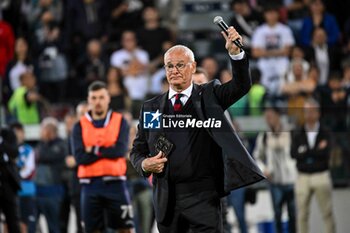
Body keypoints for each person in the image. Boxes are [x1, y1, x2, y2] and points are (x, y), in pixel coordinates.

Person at [130, 26, 264, 232]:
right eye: (169, 66)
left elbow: (241, 85)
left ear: (193, 67)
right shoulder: (152, 107)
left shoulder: (210, 96)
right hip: (167, 200)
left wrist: (235, 54)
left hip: (204, 198)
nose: (173, 70)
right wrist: (145, 164)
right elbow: (138, 150)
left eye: (180, 65)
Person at [71, 81, 134, 233]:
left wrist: (92, 149)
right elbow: (80, 158)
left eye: (101, 97)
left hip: (116, 184)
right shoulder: (79, 125)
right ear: (88, 100)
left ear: (108, 98)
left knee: (126, 229)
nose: (97, 102)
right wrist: (107, 149)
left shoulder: (121, 121)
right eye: (94, 98)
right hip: (89, 185)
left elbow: (119, 151)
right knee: (91, 230)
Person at [291, 98, 336, 233]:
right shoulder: (297, 132)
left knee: (327, 213)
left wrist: (305, 151)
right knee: (302, 215)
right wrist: (316, 151)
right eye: (306, 111)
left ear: (318, 113)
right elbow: (294, 154)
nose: (309, 114)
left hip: (321, 175)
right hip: (303, 176)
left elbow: (326, 153)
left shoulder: (325, 131)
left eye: (311, 111)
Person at [254, 107, 297, 233]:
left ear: (278, 116)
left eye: (270, 116)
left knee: (293, 215)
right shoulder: (264, 136)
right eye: (266, 117)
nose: (268, 120)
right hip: (275, 182)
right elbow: (257, 156)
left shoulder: (291, 132)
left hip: (292, 181)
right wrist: (264, 169)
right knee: (277, 215)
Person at [11, 122, 37, 233]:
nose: (17, 135)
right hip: (10, 192)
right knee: (9, 222)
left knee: (25, 223)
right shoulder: (6, 149)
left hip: (25, 191)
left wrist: (14, 175)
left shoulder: (28, 150)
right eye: (14, 132)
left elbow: (29, 170)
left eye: (19, 132)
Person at [0, 126, 21, 233]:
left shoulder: (7, 133)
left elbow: (15, 152)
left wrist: (1, 142)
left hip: (7, 184)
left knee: (12, 219)